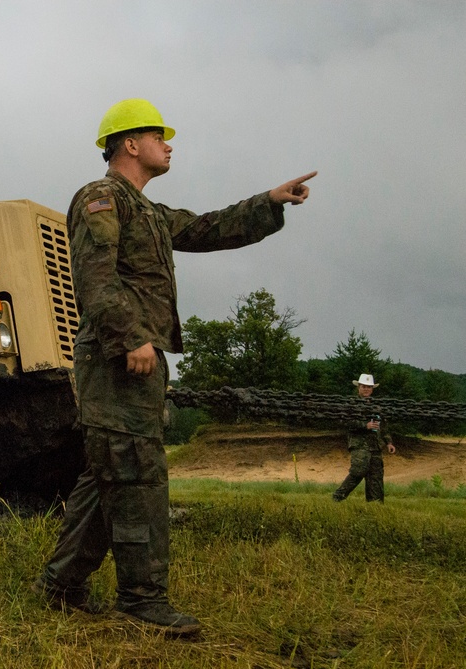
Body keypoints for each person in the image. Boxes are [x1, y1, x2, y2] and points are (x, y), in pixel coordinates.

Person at [32, 98, 316, 636]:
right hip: (119, 356)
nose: (169, 144)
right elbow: (94, 276)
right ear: (130, 144)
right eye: (159, 136)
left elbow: (208, 228)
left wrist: (269, 201)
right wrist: (132, 336)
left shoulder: (148, 212)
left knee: (110, 473)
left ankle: (61, 585)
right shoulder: (100, 199)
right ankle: (142, 600)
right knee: (138, 473)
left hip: (133, 357)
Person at [332, 373, 396, 503]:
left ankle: (375, 505)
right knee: (358, 471)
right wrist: (364, 425)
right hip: (359, 444)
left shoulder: (377, 406)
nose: (366, 389)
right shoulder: (351, 404)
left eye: (369, 387)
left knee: (376, 476)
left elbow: (383, 426)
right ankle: (338, 496)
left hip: (375, 445)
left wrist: (388, 442)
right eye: (363, 386)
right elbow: (345, 422)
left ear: (372, 389)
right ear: (359, 388)